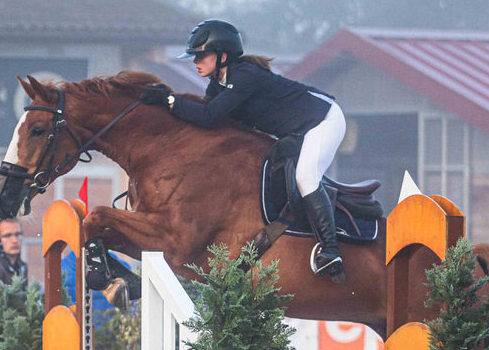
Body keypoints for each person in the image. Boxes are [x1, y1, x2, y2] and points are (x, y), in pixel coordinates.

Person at [140, 18, 347, 282]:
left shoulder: (244, 76)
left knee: (305, 177)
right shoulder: (219, 84)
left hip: (324, 120)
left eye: (202, 56)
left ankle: (331, 251)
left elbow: (208, 116)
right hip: (297, 131)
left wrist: (169, 99)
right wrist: (168, 104)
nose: (196, 62)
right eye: (194, 57)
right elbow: (207, 122)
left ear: (223, 56)